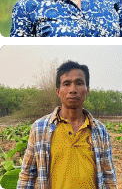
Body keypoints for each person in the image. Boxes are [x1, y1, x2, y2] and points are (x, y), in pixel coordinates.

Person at [18, 61, 112, 189]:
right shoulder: (39, 128)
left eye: (79, 83)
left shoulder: (100, 131)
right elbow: (27, 176)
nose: (72, 90)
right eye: (66, 84)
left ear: (87, 90)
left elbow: (108, 177)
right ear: (58, 91)